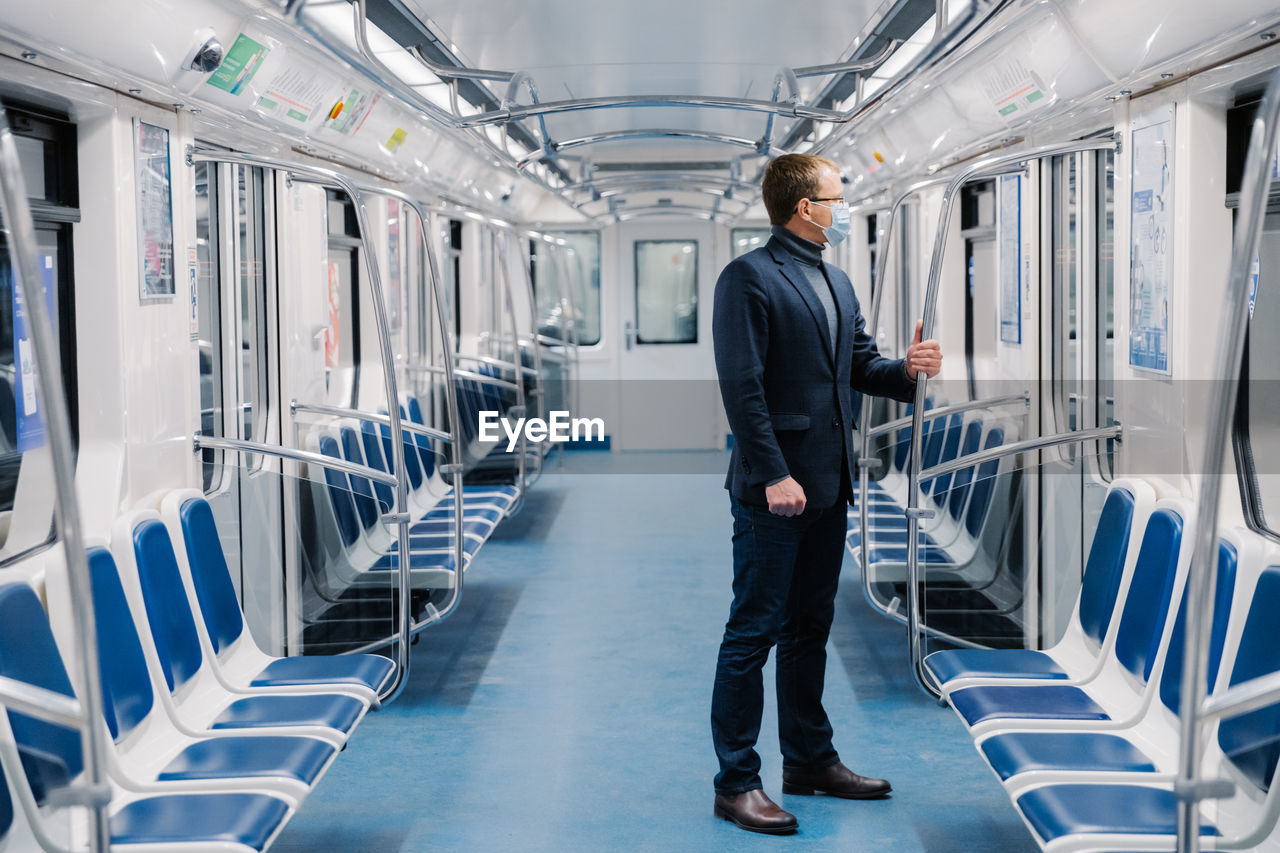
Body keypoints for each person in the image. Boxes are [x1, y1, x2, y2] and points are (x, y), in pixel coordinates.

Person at [710, 153, 943, 835]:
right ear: (803, 206)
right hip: (774, 490)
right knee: (753, 631)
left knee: (809, 627)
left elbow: (859, 364)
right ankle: (736, 781)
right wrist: (774, 471)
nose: (843, 207)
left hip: (831, 482)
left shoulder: (836, 280)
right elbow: (743, 389)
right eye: (836, 197)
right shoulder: (748, 278)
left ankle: (809, 761)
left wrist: (907, 370)